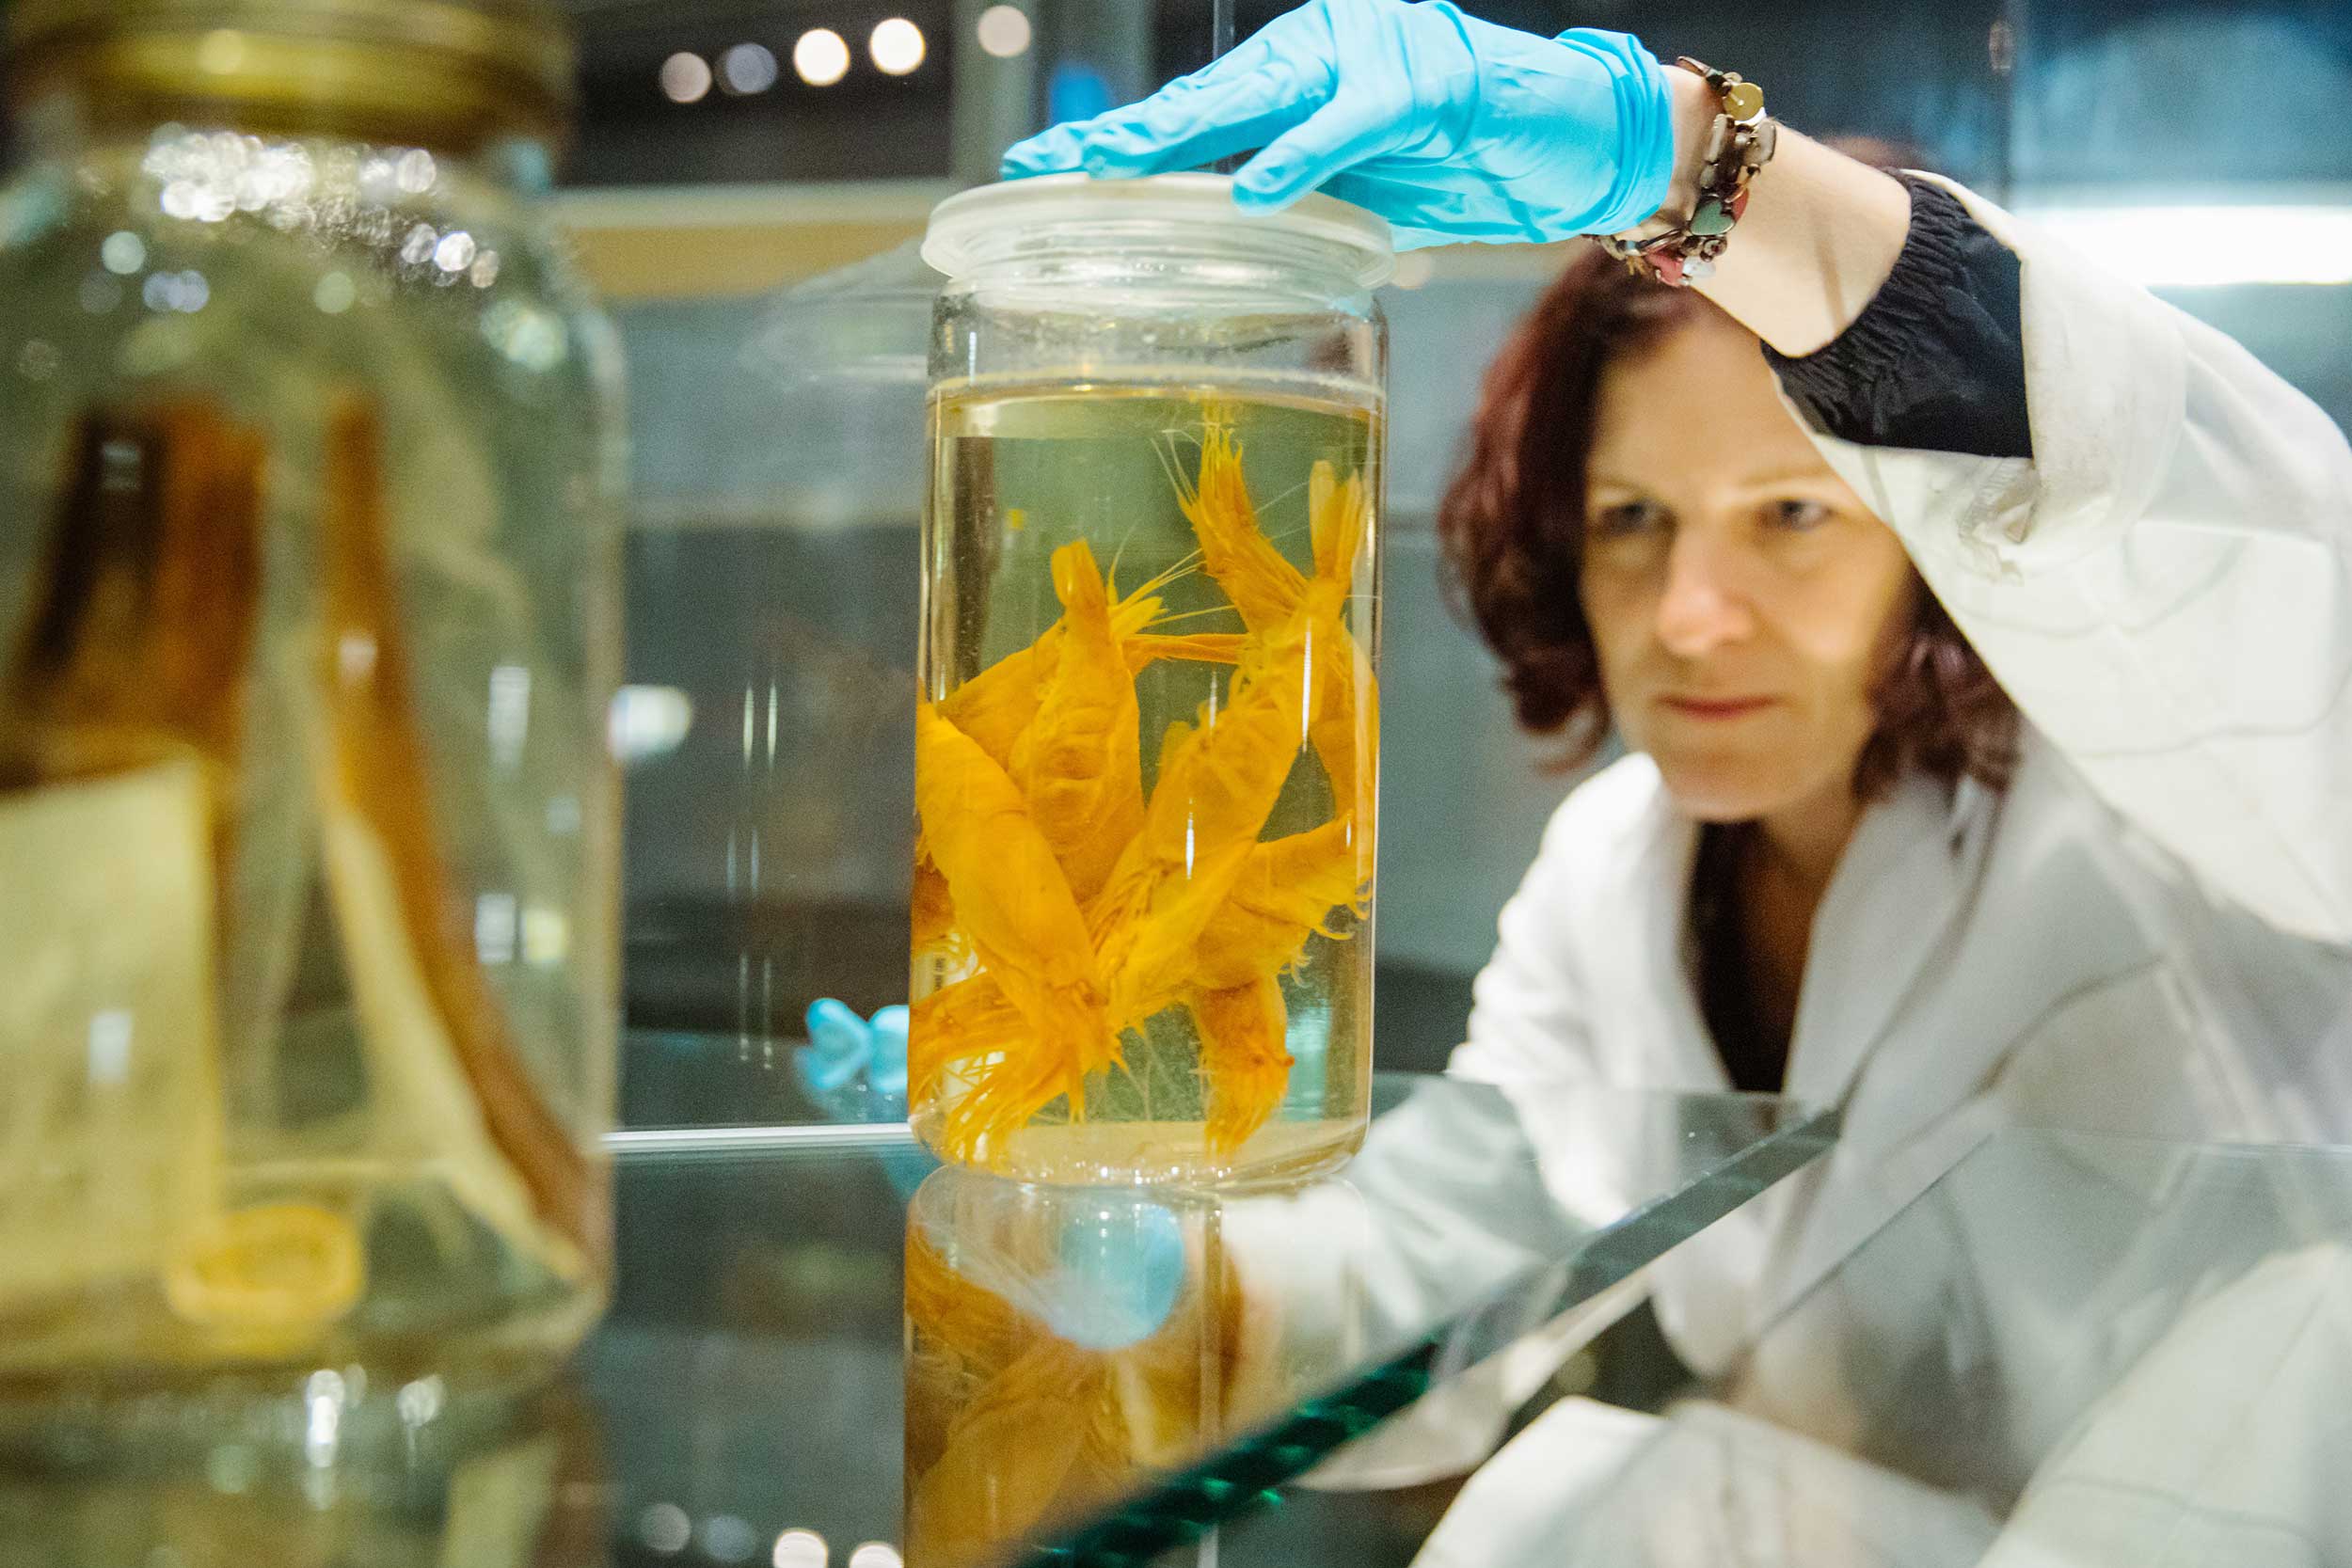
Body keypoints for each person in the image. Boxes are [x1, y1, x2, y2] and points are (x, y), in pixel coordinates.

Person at [989, 3, 2352, 1559]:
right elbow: (1437, 1265)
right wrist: (1156, 1278)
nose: (1692, 617)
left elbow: (2202, 542)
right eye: (1635, 519)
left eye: (1790, 515)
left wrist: (1701, 171)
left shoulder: (2159, 763)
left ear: (1932, 539)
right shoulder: (1611, 871)